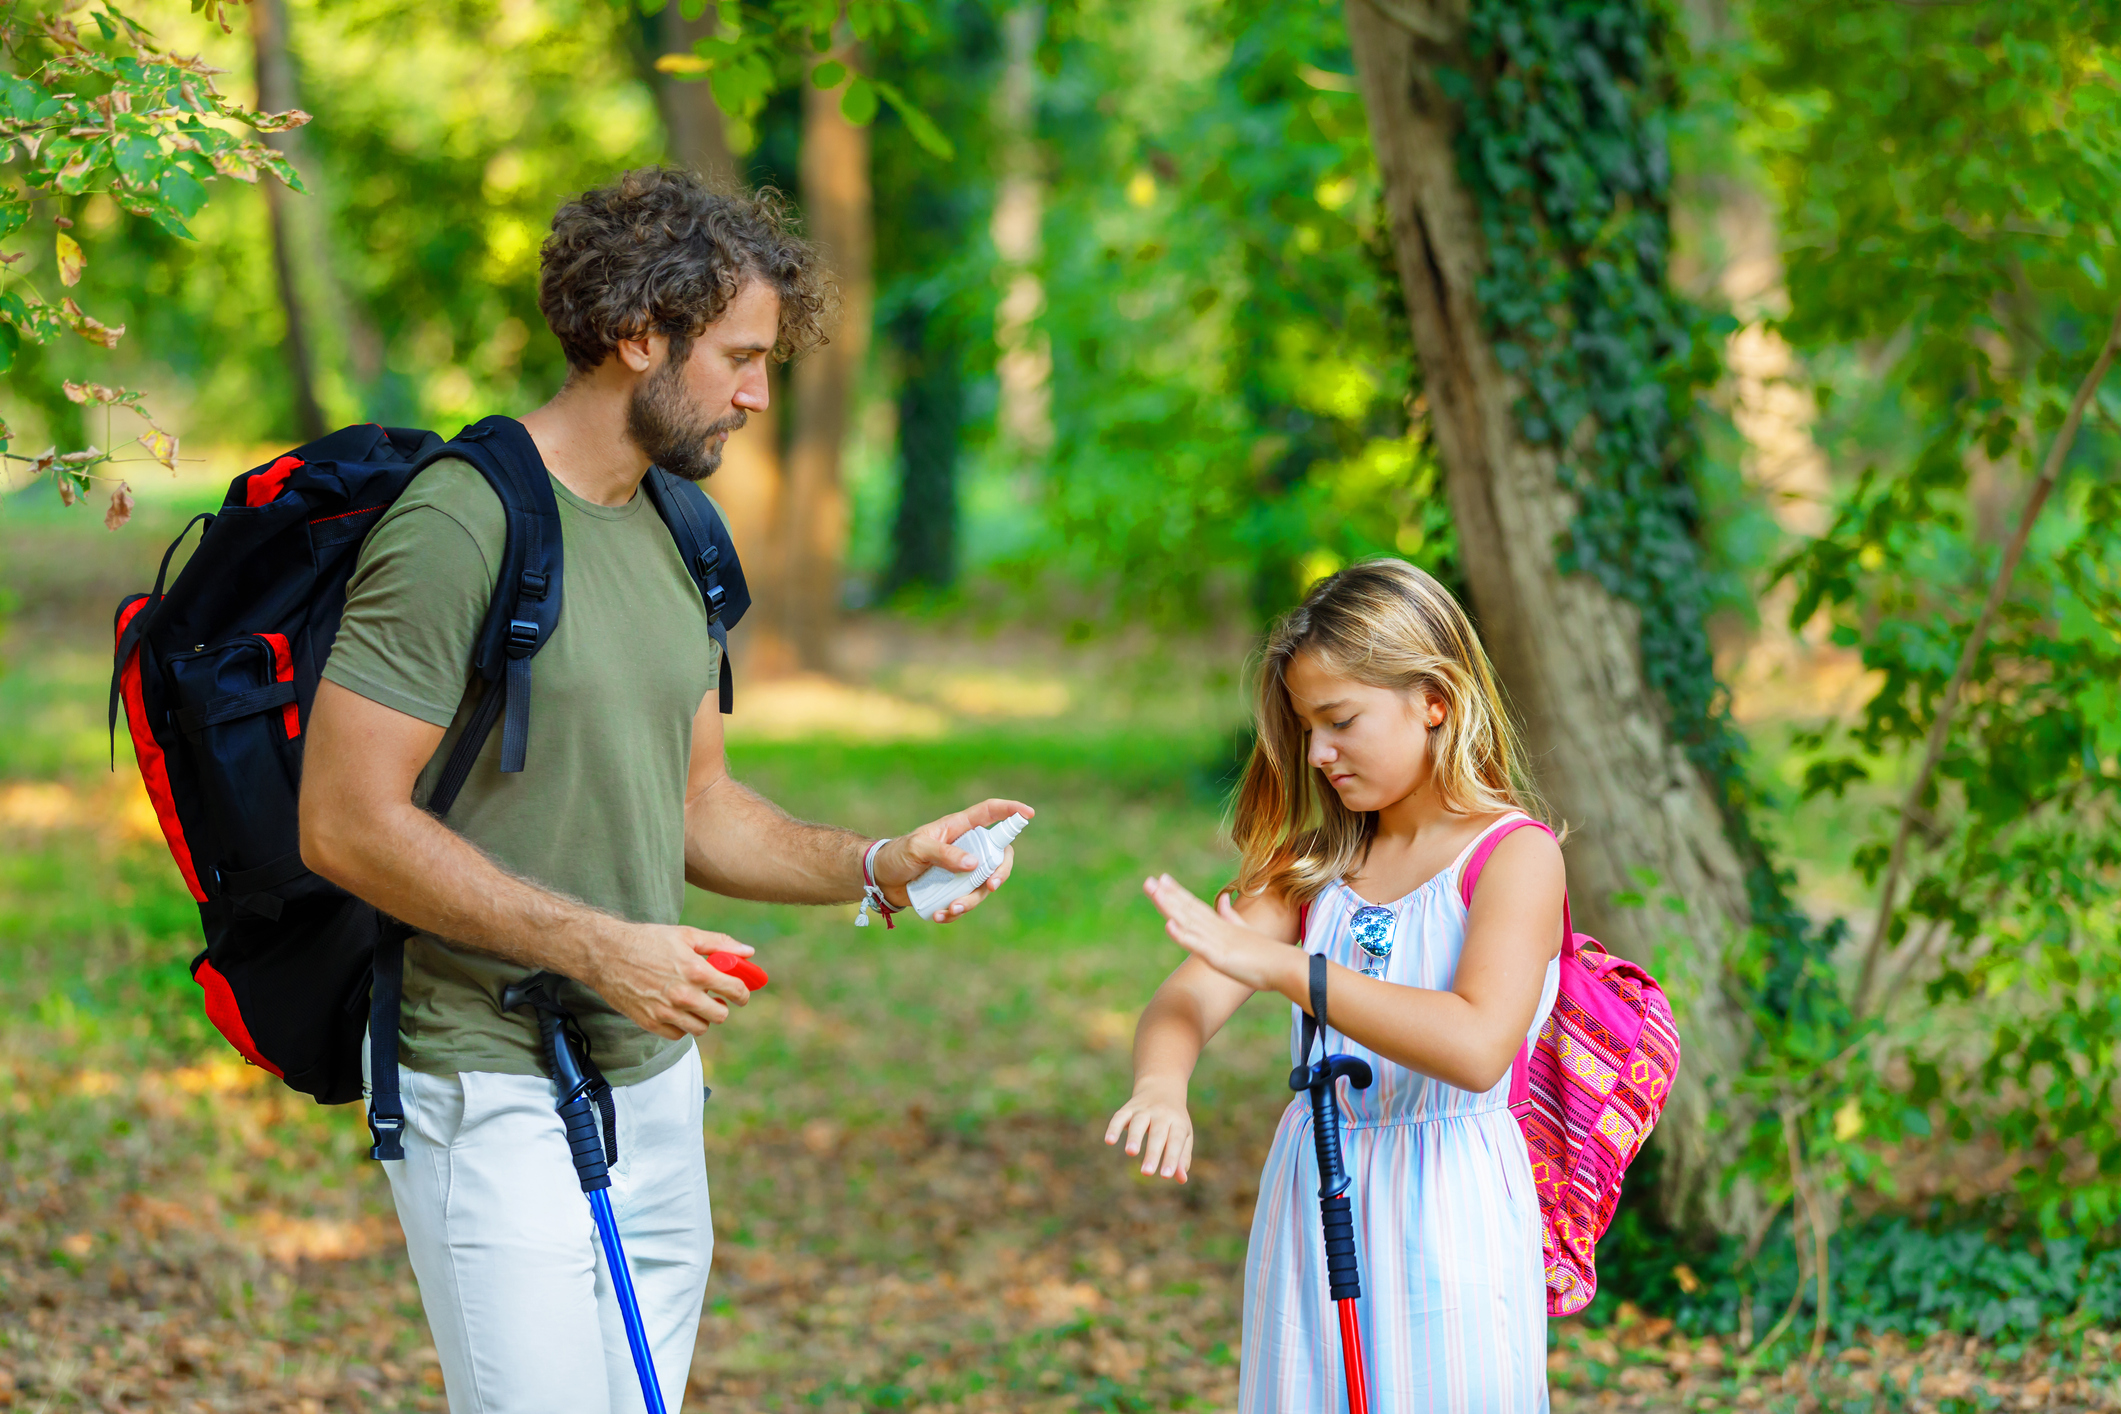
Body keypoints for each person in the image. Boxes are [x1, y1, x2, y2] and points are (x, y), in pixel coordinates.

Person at [299, 167, 1032, 1414]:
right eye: (738, 357)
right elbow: (345, 821)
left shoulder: (683, 532)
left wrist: (881, 862)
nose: (758, 393)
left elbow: (699, 806)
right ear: (637, 333)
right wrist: (597, 945)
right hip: (487, 1081)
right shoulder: (461, 525)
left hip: (653, 1077)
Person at [1105, 558, 1562, 1411]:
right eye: (1304, 727)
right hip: (1315, 1194)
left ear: (1436, 699)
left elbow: (1473, 1046)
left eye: (1339, 721)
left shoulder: (1513, 857)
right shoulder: (1315, 872)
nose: (1318, 753)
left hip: (1451, 1199)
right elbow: (1182, 1002)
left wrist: (1289, 970)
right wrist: (1161, 1085)